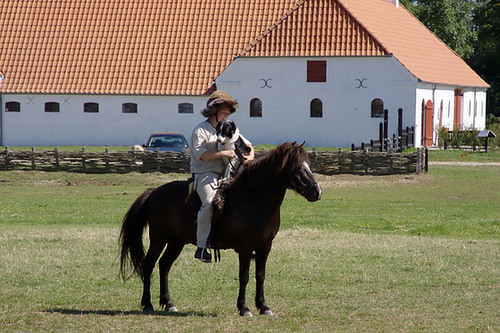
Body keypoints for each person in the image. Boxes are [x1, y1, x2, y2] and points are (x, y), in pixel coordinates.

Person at [190, 91, 254, 263]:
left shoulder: (228, 128)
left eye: (228, 112)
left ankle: (245, 242)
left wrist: (251, 155)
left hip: (228, 174)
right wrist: (223, 153)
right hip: (205, 174)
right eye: (224, 111)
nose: (226, 115)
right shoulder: (200, 130)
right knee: (209, 203)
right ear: (213, 111)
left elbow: (248, 145)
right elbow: (200, 154)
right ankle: (201, 247)